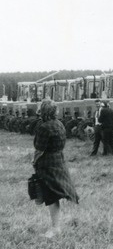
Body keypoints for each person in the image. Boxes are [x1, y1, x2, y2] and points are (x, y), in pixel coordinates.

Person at [31, 99, 79, 237]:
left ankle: (55, 228)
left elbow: (39, 149)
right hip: (59, 161)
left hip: (47, 164)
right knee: (53, 195)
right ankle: (55, 227)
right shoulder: (59, 124)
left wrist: (34, 161)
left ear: (43, 111)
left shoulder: (43, 127)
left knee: (51, 196)